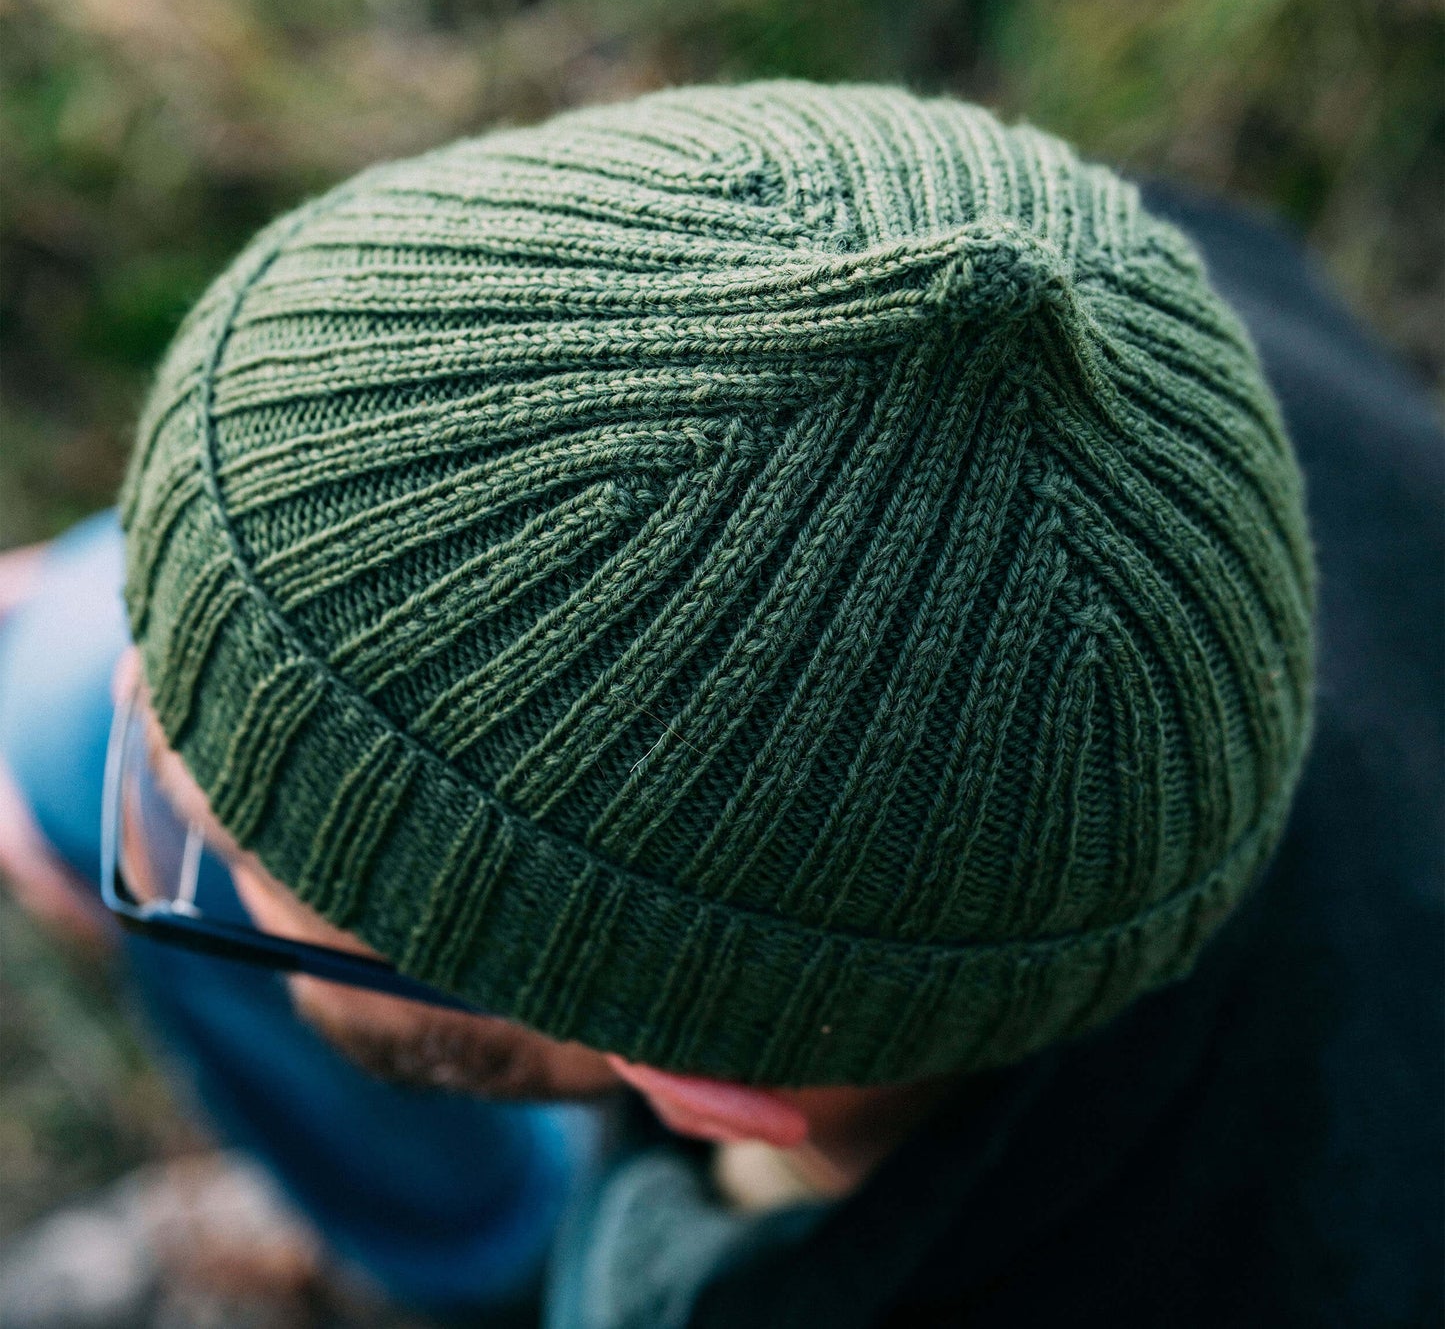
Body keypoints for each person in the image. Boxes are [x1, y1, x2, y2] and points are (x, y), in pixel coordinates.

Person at [0, 80, 1439, 1327]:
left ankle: (478, 1264)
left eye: (222, 839)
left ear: (703, 1087)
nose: (155, 713)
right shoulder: (1117, 327)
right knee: (60, 690)